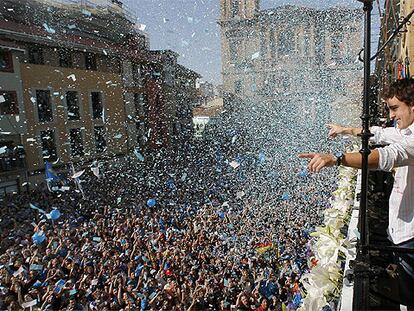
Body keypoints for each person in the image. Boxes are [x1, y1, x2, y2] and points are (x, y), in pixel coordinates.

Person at [299, 78, 414, 309]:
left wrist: (337, 159)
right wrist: (347, 130)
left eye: (395, 108)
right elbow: (380, 134)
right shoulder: (405, 132)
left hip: (410, 240)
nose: (391, 116)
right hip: (402, 236)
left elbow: (383, 157)